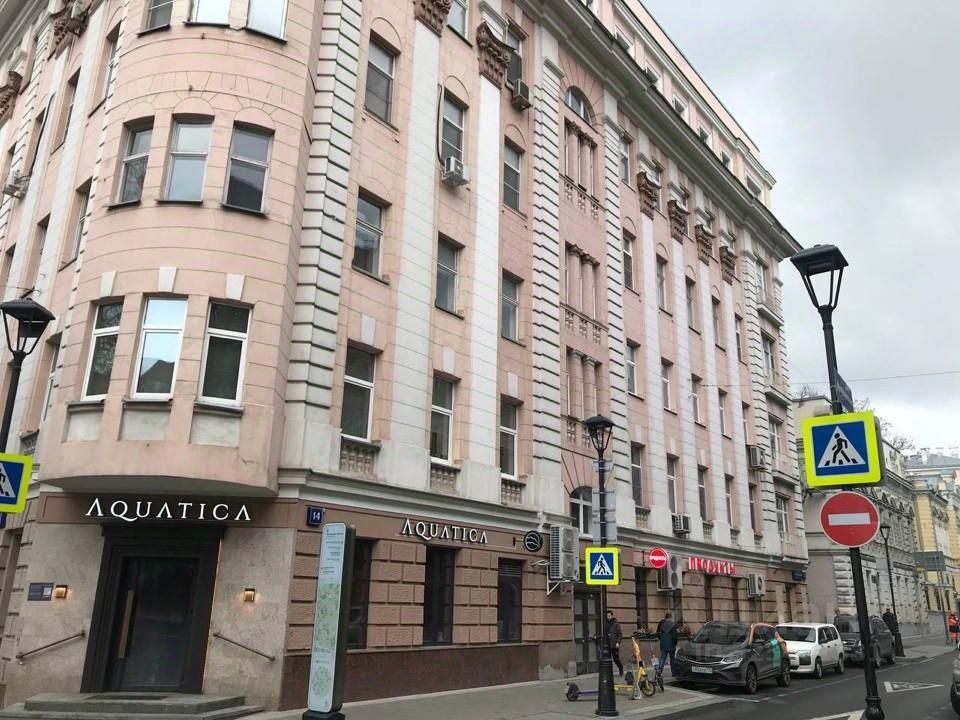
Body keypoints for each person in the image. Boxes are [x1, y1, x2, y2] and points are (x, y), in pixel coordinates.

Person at [656, 611, 678, 676]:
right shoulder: (672, 624)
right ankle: (674, 673)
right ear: (670, 617)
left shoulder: (661, 623)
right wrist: (675, 642)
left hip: (663, 643)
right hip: (671, 644)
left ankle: (659, 672)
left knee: (662, 658)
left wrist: (661, 639)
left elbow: (657, 633)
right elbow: (674, 635)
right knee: (672, 658)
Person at [606, 609, 624, 677]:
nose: (608, 617)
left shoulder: (616, 623)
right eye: (607, 616)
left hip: (614, 644)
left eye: (609, 616)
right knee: (608, 659)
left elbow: (620, 634)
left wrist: (618, 642)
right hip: (607, 644)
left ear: (612, 616)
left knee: (615, 658)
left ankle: (620, 667)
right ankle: (609, 673)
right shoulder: (606, 623)